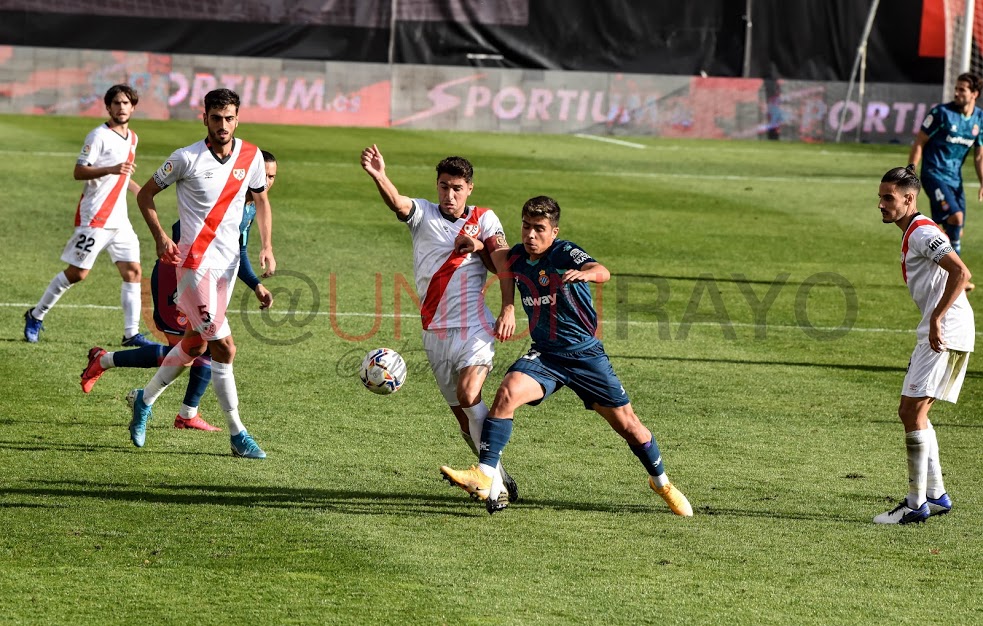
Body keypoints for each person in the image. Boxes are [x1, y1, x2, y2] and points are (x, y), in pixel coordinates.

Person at [440, 196, 693, 516]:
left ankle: (662, 483)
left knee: (631, 427)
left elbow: (602, 271)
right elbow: (500, 259)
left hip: (586, 357)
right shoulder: (519, 256)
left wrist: (586, 275)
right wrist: (476, 245)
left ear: (554, 232)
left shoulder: (563, 252)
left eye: (539, 229)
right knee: (507, 392)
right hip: (546, 356)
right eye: (526, 226)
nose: (530, 235)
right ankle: (485, 475)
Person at [360, 144, 520, 502]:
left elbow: (503, 264)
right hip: (434, 332)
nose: (449, 194)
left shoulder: (484, 217)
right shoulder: (424, 214)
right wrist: (379, 175)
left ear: (469, 189)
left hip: (473, 328)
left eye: (457, 188)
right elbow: (399, 204)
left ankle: (492, 489)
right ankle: (498, 474)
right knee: (464, 419)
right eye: (444, 186)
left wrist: (507, 305)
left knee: (469, 395)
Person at [80, 151, 279, 433]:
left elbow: (239, 251)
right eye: (264, 174)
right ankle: (107, 363)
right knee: (197, 349)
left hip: (203, 281)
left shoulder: (247, 208)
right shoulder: (222, 199)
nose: (266, 182)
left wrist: (256, 284)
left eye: (272, 177)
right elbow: (180, 232)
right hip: (177, 279)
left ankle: (183, 412)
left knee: (199, 348)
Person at [127, 88, 275, 459]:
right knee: (225, 347)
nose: (222, 125)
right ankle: (238, 433)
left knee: (194, 345)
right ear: (204, 117)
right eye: (215, 118)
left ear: (237, 118)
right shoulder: (185, 159)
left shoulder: (251, 156)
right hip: (193, 266)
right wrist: (161, 237)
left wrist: (267, 246)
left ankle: (143, 402)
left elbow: (262, 200)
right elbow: (144, 196)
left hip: (225, 267)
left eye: (228, 118)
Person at [873, 166, 974, 524]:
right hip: (943, 329)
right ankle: (936, 494)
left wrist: (935, 318)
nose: (881, 204)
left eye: (889, 198)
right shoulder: (916, 231)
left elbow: (962, 273)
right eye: (881, 196)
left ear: (909, 199)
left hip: (944, 331)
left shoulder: (922, 231)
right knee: (913, 412)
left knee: (912, 412)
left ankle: (916, 505)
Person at [23, 84, 155, 346]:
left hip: (120, 219)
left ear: (133, 107)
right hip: (95, 216)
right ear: (108, 107)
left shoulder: (133, 138)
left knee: (133, 271)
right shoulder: (98, 136)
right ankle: (35, 315)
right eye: (116, 103)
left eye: (126, 103)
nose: (121, 107)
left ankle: (130, 334)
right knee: (77, 273)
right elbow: (79, 171)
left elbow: (123, 172)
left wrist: (137, 189)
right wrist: (111, 169)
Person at [908, 71, 983, 290]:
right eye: (956, 88)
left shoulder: (979, 119)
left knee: (954, 231)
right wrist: (912, 170)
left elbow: (979, 155)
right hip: (933, 174)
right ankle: (960, 276)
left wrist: (982, 182)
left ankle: (939, 272)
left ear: (974, 94)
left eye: (962, 89)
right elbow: (919, 142)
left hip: (954, 180)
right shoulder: (941, 113)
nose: (957, 93)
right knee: (956, 218)